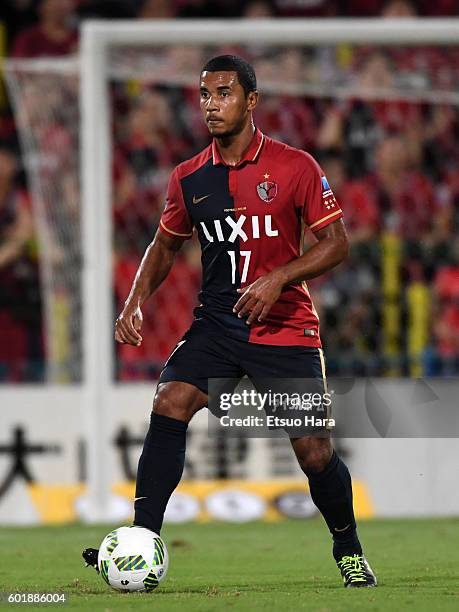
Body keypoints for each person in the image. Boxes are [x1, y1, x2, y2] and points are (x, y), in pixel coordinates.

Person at [83, 55, 377, 588]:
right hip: (217, 323)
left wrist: (279, 278)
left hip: (284, 326)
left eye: (223, 93)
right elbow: (164, 245)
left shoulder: (296, 167)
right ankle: (141, 541)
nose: (211, 105)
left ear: (251, 101)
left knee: (313, 451)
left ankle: (348, 546)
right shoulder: (190, 177)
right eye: (204, 95)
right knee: (170, 400)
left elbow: (336, 245)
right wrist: (135, 299)